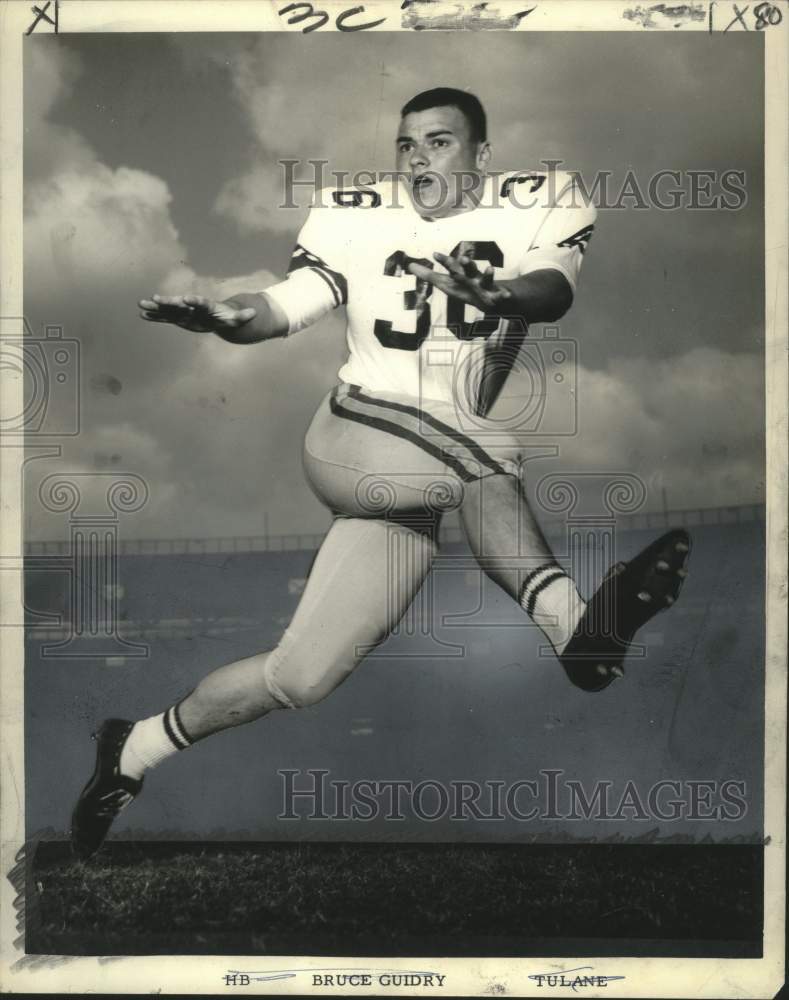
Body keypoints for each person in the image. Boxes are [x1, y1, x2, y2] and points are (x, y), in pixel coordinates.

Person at [71, 88, 690, 859]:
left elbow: (552, 289)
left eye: (438, 141)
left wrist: (497, 293)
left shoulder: (541, 199)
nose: (418, 158)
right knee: (482, 450)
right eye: (405, 144)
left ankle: (130, 751)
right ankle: (578, 636)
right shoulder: (356, 212)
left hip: (421, 478)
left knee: (300, 677)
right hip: (354, 433)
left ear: (483, 156)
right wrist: (232, 316)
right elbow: (287, 301)